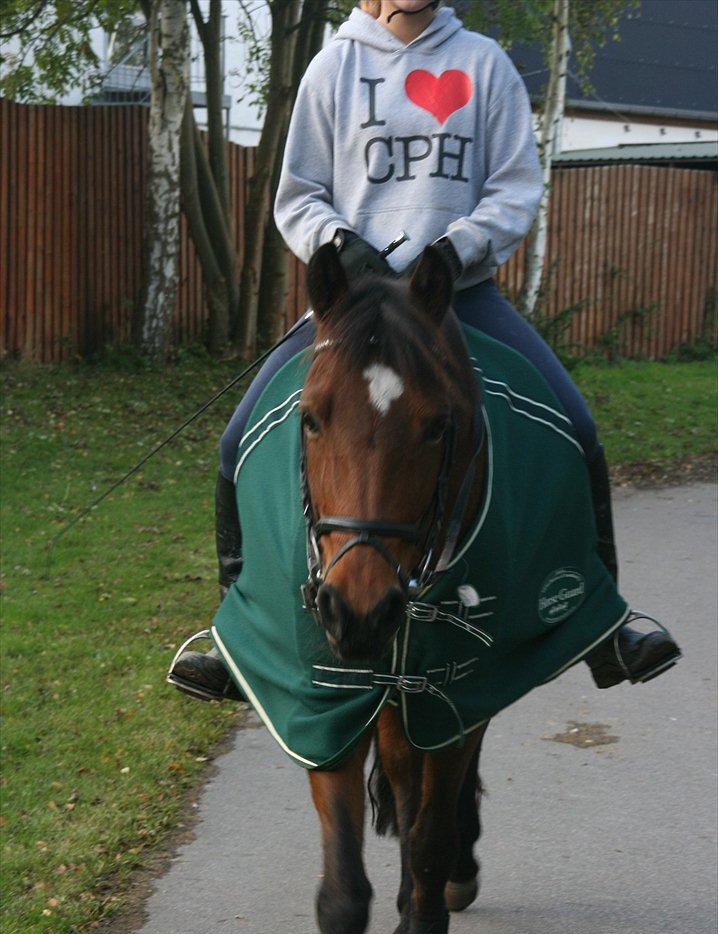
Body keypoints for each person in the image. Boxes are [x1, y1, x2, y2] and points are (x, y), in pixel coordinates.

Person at [169, 0, 680, 701]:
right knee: (237, 441)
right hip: (356, 306)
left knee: (576, 425)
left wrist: (454, 247)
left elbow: (514, 189)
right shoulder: (333, 67)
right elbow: (300, 194)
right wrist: (338, 245)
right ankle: (233, 635)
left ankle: (602, 628)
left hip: (457, 298)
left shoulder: (484, 65)